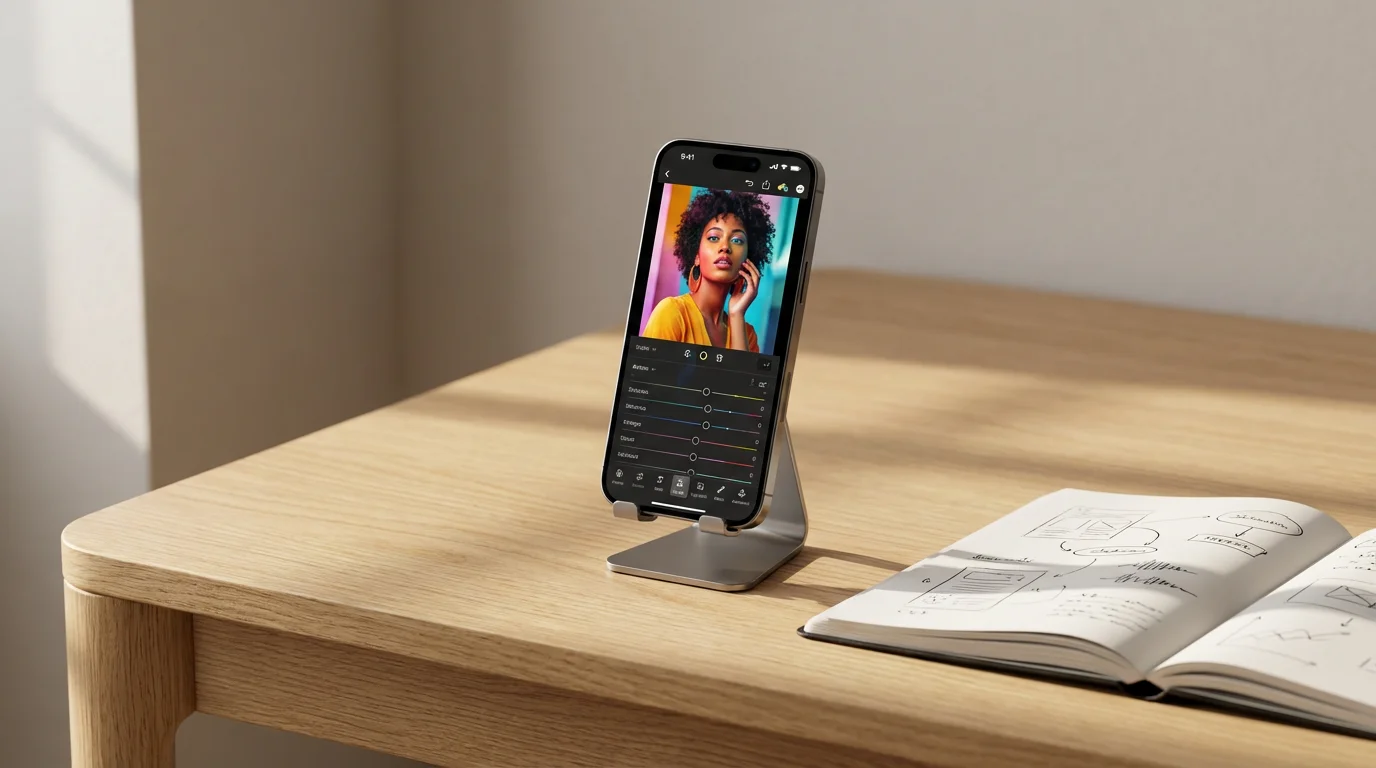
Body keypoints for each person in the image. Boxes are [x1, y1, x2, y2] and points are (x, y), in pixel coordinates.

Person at [643, 189, 775, 352]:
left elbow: (741, 371)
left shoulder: (747, 335)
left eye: (737, 240)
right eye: (713, 238)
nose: (725, 247)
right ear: (696, 255)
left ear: (747, 259)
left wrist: (736, 315)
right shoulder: (672, 313)